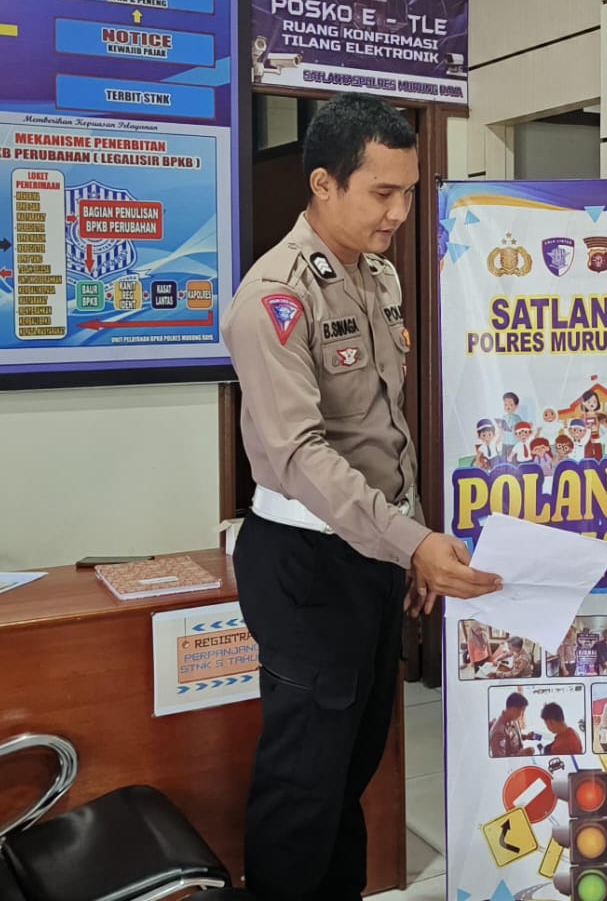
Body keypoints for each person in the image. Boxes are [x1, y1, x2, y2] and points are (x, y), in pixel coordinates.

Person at [221, 93, 501, 901]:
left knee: (352, 770)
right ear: (323, 184)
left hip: (369, 551)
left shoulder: (377, 277)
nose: (400, 213)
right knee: (303, 784)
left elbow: (386, 428)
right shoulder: (274, 298)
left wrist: (407, 539)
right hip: (306, 562)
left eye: (408, 192)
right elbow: (300, 455)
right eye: (383, 193)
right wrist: (411, 541)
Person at [490, 692, 533, 758]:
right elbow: (500, 760)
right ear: (514, 710)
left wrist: (526, 736)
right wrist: (522, 754)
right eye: (522, 711)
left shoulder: (513, 719)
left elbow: (512, 737)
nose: (522, 715)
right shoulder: (498, 732)